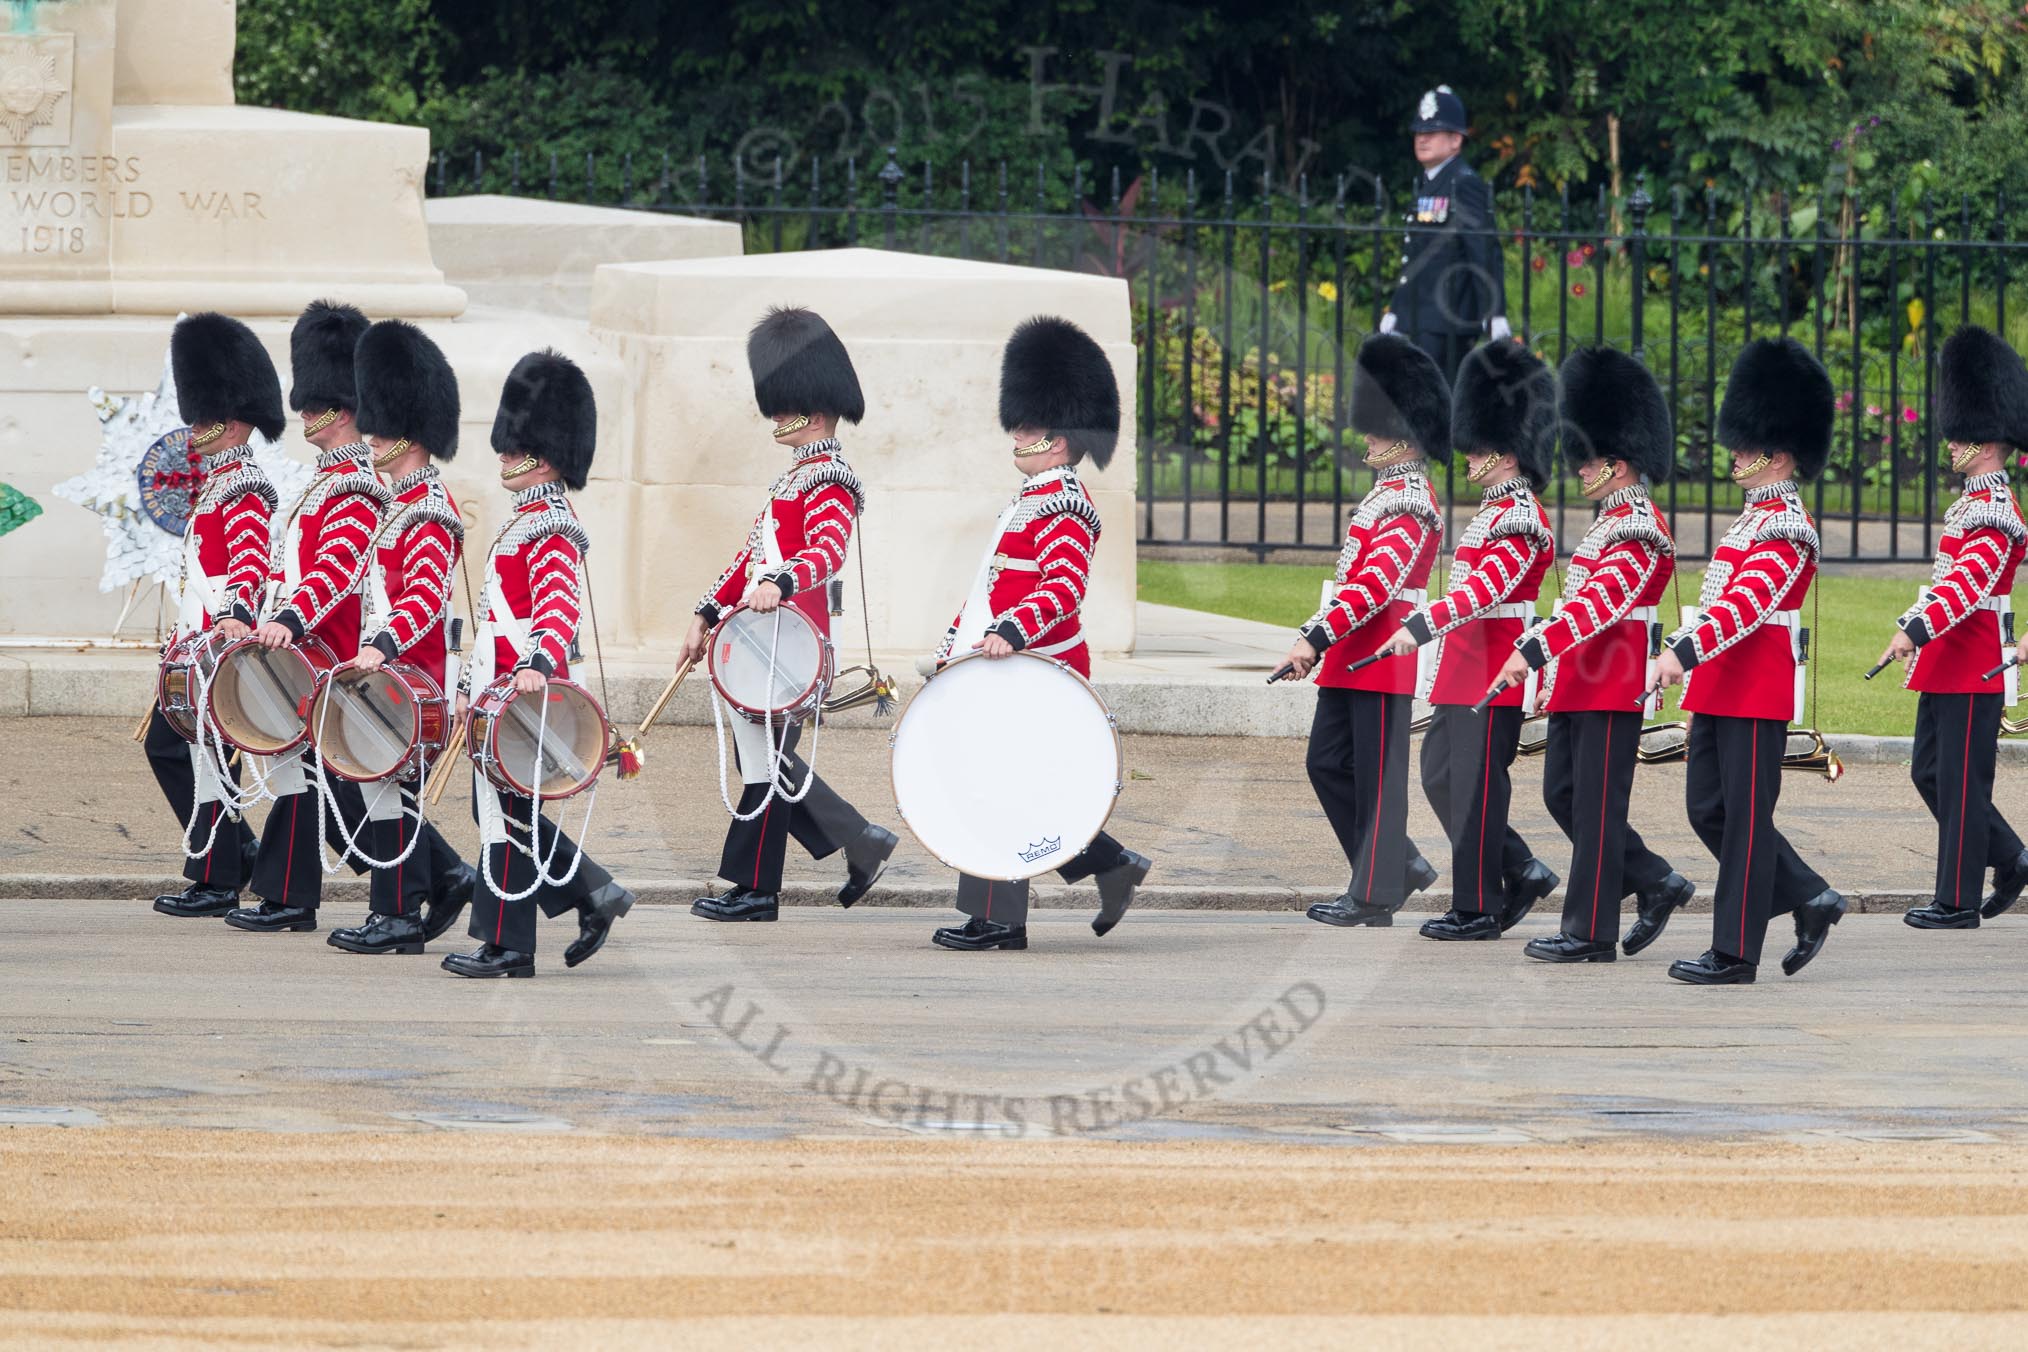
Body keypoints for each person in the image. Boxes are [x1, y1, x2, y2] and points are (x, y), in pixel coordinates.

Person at [928, 315, 1152, 951]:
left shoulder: (1063, 503)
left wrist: (1011, 633)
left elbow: (1061, 589)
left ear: (1059, 438)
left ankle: (1002, 919)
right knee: (996, 782)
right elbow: (989, 586)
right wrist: (954, 648)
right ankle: (1107, 866)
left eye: (1029, 424)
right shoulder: (1029, 499)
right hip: (1007, 659)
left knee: (1001, 787)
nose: (1018, 432)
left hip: (1038, 664)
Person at [679, 307, 899, 924]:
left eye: (786, 404)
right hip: (760, 642)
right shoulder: (793, 477)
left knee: (764, 763)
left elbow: (824, 552)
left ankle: (758, 889)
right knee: (767, 761)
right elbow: (751, 556)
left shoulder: (829, 477)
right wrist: (706, 612)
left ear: (818, 406)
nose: (776, 416)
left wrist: (780, 579)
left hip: (792, 646)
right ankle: (858, 843)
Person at [1651, 338, 1847, 984]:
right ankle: (1810, 894)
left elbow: (1744, 607)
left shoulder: (1787, 525)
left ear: (1780, 453)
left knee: (1741, 818)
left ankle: (1735, 952)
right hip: (1719, 684)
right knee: (1708, 809)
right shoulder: (1750, 519)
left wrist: (1679, 654)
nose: (1735, 453)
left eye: (1748, 444)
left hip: (1756, 688)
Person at [1494, 347, 1697, 963]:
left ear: (1620, 461)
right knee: (1564, 796)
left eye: (1591, 461)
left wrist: (1531, 649)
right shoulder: (1609, 520)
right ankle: (1655, 880)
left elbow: (1599, 606)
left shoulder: (1638, 525)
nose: (1579, 470)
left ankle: (1590, 931)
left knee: (1597, 808)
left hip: (1613, 682)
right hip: (1581, 679)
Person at [444, 350, 635, 978]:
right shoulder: (526, 519)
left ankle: (511, 946)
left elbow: (557, 606)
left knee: (502, 815)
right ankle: (590, 893)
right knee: (501, 813)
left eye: (514, 445)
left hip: (528, 690)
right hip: (503, 689)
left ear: (545, 453)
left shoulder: (549, 525)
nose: (502, 453)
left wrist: (538, 661)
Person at [1374, 340, 1558, 940]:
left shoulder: (1521, 514)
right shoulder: (1492, 507)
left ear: (1507, 449)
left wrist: (1420, 626)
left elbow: (1485, 590)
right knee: (1440, 775)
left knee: (1475, 785)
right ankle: (1519, 867)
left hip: (1496, 659)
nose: (1469, 452)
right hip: (1464, 660)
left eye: (1481, 444)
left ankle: (1476, 905)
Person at [224, 301, 390, 935]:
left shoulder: (355, 484)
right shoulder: (324, 481)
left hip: (330, 649)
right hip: (300, 644)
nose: (304, 415)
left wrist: (289, 621)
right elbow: (287, 565)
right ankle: (290, 896)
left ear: (342, 411)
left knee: (352, 780)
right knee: (312, 774)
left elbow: (338, 568)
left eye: (316, 406)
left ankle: (295, 897)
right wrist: (258, 608)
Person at [325, 319, 479, 955]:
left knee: (384, 790)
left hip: (408, 672)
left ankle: (395, 915)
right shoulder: (398, 504)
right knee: (375, 789)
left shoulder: (431, 511)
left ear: (407, 434)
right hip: (385, 670)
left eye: (381, 426)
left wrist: (381, 648)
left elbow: (422, 597)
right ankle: (413, 899)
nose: (371, 434)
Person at [1285, 334, 1447, 928]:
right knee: (1326, 763)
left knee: (1379, 781)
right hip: (1351, 651)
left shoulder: (1410, 500)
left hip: (1382, 656)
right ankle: (1392, 866)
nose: (1367, 437)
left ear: (1404, 432)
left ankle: (1375, 895)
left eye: (1376, 428)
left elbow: (1375, 587)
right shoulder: (1385, 494)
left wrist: (1314, 636)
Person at [1882, 327, 2028, 929]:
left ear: (1988, 442)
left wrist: (1913, 629)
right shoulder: (1971, 502)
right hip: (1949, 655)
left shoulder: (1995, 509)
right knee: (1931, 771)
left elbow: (1967, 585)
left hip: (1974, 658)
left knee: (1962, 783)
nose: (1951, 444)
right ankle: (2011, 857)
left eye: (1962, 435)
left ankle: (1958, 900)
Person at [147, 313, 278, 917]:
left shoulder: (245, 481)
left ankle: (220, 872)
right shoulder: (218, 481)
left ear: (231, 418)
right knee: (184, 749)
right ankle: (231, 858)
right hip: (196, 640)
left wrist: (235, 614)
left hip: (218, 640)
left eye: (205, 414)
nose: (194, 425)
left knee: (195, 751)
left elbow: (251, 558)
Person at [1380, 85, 1509, 386]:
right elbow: (1418, 258)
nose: (1422, 138)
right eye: (1418, 132)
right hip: (1422, 318)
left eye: (1433, 132)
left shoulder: (1463, 183)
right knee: (1422, 412)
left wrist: (1494, 313)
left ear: (1455, 140)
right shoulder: (1430, 183)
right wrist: (1397, 310)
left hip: (1449, 321)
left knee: (1435, 412)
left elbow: (1482, 249)